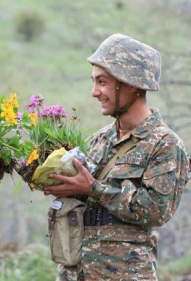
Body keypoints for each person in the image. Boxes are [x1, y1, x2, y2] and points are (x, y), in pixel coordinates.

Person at [44, 34, 190, 280]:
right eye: (94, 82)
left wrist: (93, 188)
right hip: (75, 269)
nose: (94, 92)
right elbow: (83, 194)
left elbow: (157, 211)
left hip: (124, 273)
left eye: (102, 82)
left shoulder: (166, 145)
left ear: (130, 83)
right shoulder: (100, 139)